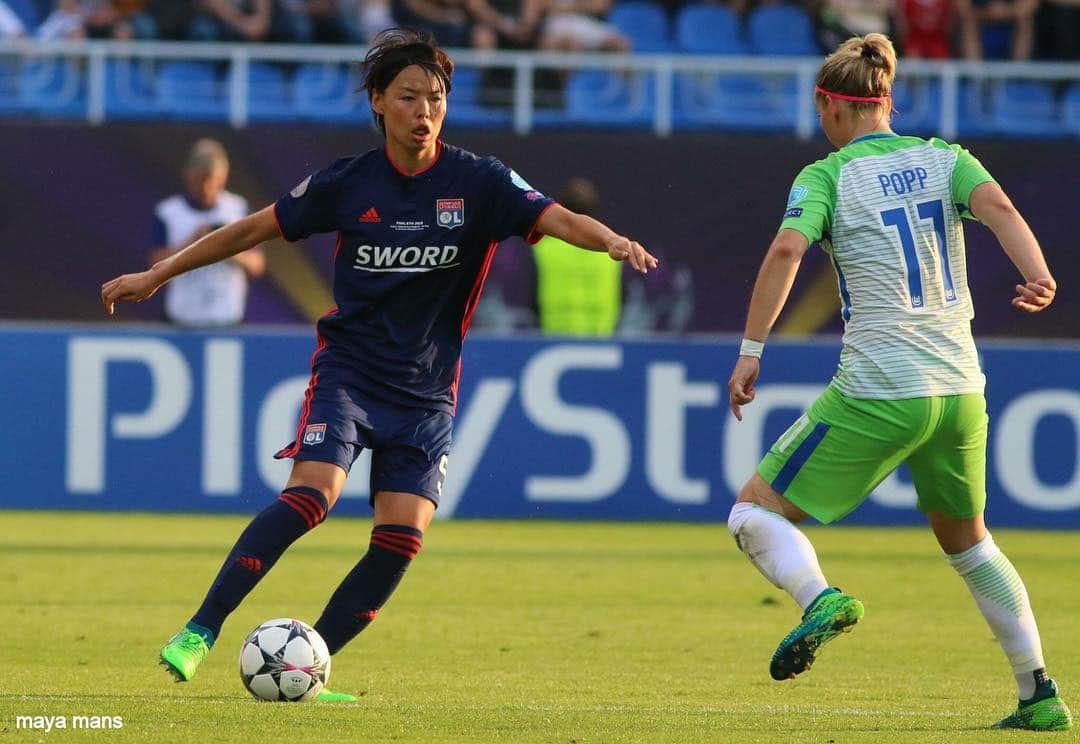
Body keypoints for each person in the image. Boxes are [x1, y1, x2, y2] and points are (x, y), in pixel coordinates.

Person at [101, 28, 656, 701]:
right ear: (378, 103)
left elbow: (555, 215)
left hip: (426, 396)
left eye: (437, 98)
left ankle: (309, 665)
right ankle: (200, 629)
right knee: (312, 497)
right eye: (410, 96)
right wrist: (158, 274)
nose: (426, 110)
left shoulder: (478, 181)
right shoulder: (348, 183)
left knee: (401, 536)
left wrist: (612, 241)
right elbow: (252, 229)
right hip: (351, 376)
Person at [725, 33, 1071, 731]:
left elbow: (790, 247)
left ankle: (819, 597)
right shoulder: (945, 158)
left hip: (882, 385)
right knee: (973, 544)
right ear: (887, 100)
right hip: (961, 388)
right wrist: (1038, 272)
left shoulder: (825, 175)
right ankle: (1040, 693)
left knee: (752, 513)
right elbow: (1000, 209)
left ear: (830, 105)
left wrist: (751, 348)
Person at [150, 139, 265, 328]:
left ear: (223, 177)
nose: (206, 189)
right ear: (188, 175)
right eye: (199, 181)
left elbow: (256, 265)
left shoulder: (238, 209)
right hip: (181, 321)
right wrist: (194, 242)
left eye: (212, 181)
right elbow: (155, 264)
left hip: (228, 321)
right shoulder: (169, 213)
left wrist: (225, 247)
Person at [532, 177, 622, 336]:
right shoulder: (612, 251)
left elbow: (531, 297)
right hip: (602, 341)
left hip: (553, 339)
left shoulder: (543, 248)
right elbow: (623, 297)